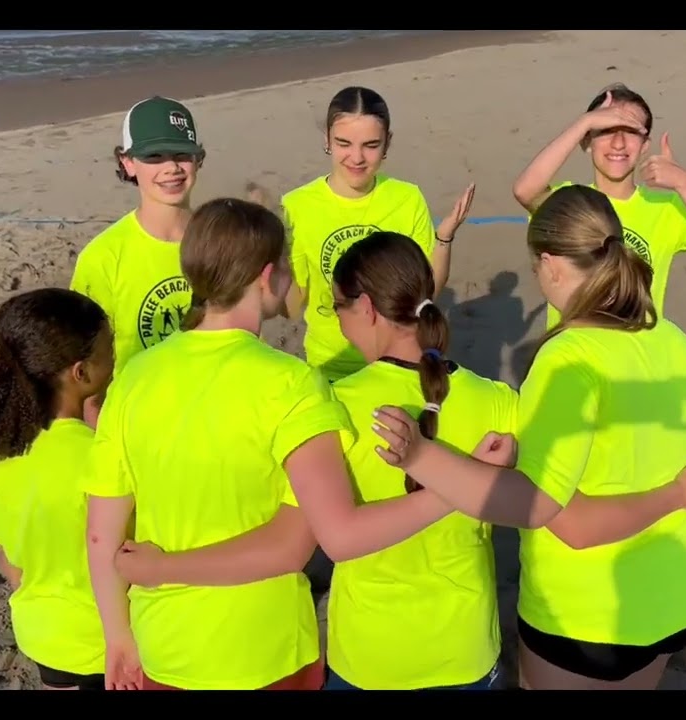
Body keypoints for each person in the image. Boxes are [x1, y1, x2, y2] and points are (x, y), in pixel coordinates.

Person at [82, 198, 469, 691]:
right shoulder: (291, 383)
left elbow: (102, 535)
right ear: (267, 278)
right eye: (286, 264)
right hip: (267, 649)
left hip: (166, 645)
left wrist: (118, 635)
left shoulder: (135, 377)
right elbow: (289, 547)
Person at [369, 184, 686, 690]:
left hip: (586, 617)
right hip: (671, 603)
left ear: (551, 263)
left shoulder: (568, 357)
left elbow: (563, 519)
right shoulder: (680, 344)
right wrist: (677, 495)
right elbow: (625, 458)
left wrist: (421, 457)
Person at [312, 231, 515, 690]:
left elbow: (328, 536)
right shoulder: (497, 400)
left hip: (372, 654)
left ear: (364, 308)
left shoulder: (335, 403)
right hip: (466, 647)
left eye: (337, 309)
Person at [0, 287, 115, 690]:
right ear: (80, 373)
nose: (115, 356)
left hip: (40, 631)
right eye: (108, 347)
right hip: (105, 638)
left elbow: (6, 553)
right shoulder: (99, 455)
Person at [511, 82, 686, 330]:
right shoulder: (569, 202)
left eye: (631, 131)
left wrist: (685, 184)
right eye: (606, 129)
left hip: (636, 356)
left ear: (645, 145)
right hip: (574, 353)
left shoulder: (666, 208)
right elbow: (524, 190)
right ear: (587, 141)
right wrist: (583, 123)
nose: (619, 143)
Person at [280, 85, 476, 383]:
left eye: (371, 145)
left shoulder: (406, 198)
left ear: (387, 144)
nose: (356, 158)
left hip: (398, 364)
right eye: (344, 143)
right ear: (327, 141)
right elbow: (293, 306)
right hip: (331, 367)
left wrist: (443, 239)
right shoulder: (296, 206)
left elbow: (427, 291)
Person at [69, 95, 206, 425]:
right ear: (128, 162)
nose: (171, 168)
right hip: (136, 427)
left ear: (198, 159)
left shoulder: (219, 241)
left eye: (181, 155)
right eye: (154, 156)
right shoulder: (103, 257)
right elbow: (84, 376)